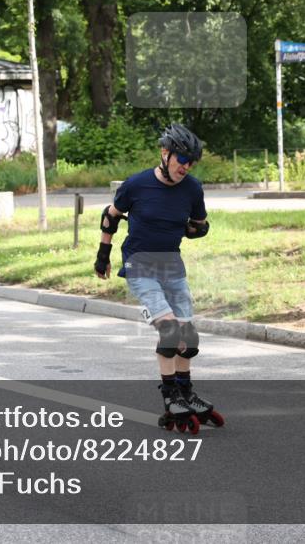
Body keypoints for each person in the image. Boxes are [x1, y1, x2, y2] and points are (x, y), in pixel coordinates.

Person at [94, 124, 223, 432]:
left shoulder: (192, 188)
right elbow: (110, 215)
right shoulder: (136, 185)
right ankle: (170, 398)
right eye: (181, 159)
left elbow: (199, 225)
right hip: (140, 265)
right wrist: (103, 255)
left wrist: (195, 229)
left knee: (188, 340)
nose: (186, 166)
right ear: (165, 154)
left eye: (191, 162)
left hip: (172, 266)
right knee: (169, 334)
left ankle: (185, 393)